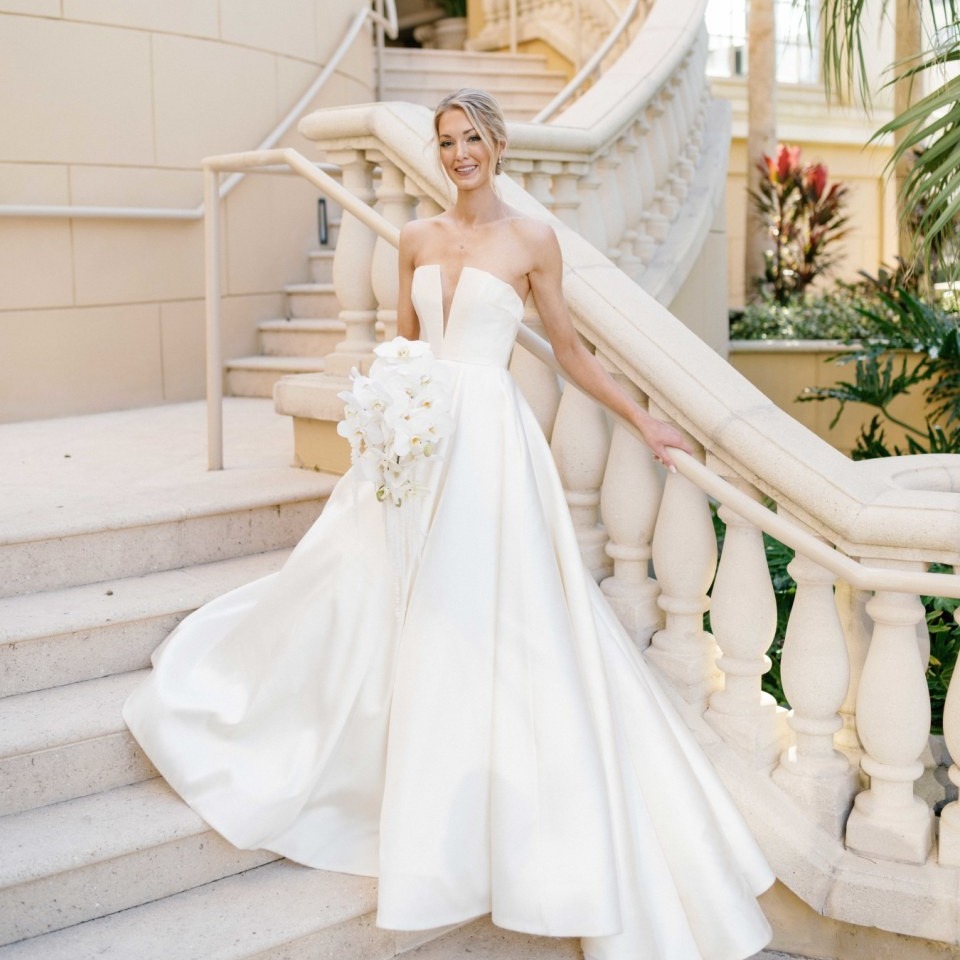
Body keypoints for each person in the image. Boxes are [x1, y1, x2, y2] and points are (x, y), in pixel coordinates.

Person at [124, 89, 774, 960]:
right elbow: (402, 347)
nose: (460, 152)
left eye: (472, 138)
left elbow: (571, 353)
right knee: (376, 596)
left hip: (492, 451)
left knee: (485, 616)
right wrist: (388, 415)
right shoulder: (418, 238)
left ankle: (476, 813)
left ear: (499, 145)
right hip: (418, 442)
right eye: (446, 141)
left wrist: (644, 420)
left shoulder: (533, 242)